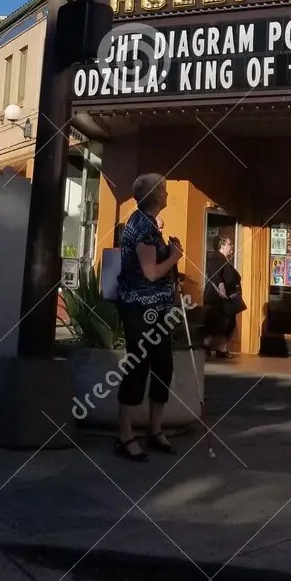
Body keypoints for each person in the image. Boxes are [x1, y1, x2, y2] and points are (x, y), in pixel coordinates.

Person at [114, 172, 182, 462]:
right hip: (139, 308)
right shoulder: (141, 226)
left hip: (157, 309)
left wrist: (168, 250)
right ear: (154, 195)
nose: (167, 195)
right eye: (164, 190)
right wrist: (175, 256)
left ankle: (155, 429)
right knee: (138, 367)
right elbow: (151, 272)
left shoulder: (150, 225)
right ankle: (125, 433)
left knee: (163, 366)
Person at [203, 228, 242, 359]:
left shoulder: (224, 259)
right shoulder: (216, 258)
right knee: (219, 323)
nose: (232, 247)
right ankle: (211, 347)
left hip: (226, 299)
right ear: (223, 245)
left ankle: (218, 348)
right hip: (217, 299)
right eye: (230, 244)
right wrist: (221, 288)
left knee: (226, 323)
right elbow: (215, 275)